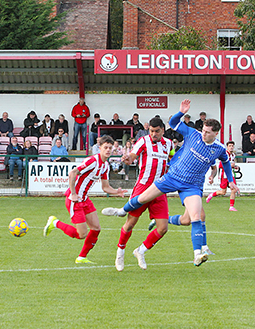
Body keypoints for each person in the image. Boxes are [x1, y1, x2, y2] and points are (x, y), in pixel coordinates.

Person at [102, 99, 237, 267]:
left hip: (192, 186)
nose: (203, 134)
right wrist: (181, 112)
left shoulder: (218, 148)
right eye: (203, 130)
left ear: (215, 133)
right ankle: (121, 213)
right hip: (169, 178)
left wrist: (231, 181)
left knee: (194, 218)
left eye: (207, 132)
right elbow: (173, 123)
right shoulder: (191, 134)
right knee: (139, 204)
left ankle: (197, 254)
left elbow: (225, 162)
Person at [43, 135, 126, 264]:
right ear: (100, 148)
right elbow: (72, 173)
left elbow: (105, 187)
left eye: (110, 148)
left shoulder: (105, 166)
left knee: (96, 228)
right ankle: (55, 223)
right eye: (105, 147)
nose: (108, 150)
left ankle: (81, 257)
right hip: (74, 200)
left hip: (85, 199)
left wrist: (117, 192)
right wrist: (73, 194)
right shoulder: (92, 161)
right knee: (81, 234)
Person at [114, 117, 173, 271]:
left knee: (163, 228)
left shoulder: (169, 144)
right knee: (130, 224)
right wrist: (128, 159)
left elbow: (173, 158)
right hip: (143, 188)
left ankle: (140, 251)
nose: (153, 134)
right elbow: (133, 155)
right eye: (151, 131)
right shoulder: (143, 141)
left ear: (163, 130)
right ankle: (120, 252)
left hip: (160, 190)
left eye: (157, 131)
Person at [206, 141, 240, 211]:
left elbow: (231, 165)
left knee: (234, 189)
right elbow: (221, 165)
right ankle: (212, 194)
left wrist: (235, 166)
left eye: (232, 146)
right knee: (223, 192)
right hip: (224, 175)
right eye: (230, 146)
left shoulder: (233, 155)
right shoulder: (225, 154)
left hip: (230, 175)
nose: (231, 147)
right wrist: (231, 165)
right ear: (227, 147)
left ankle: (231, 206)